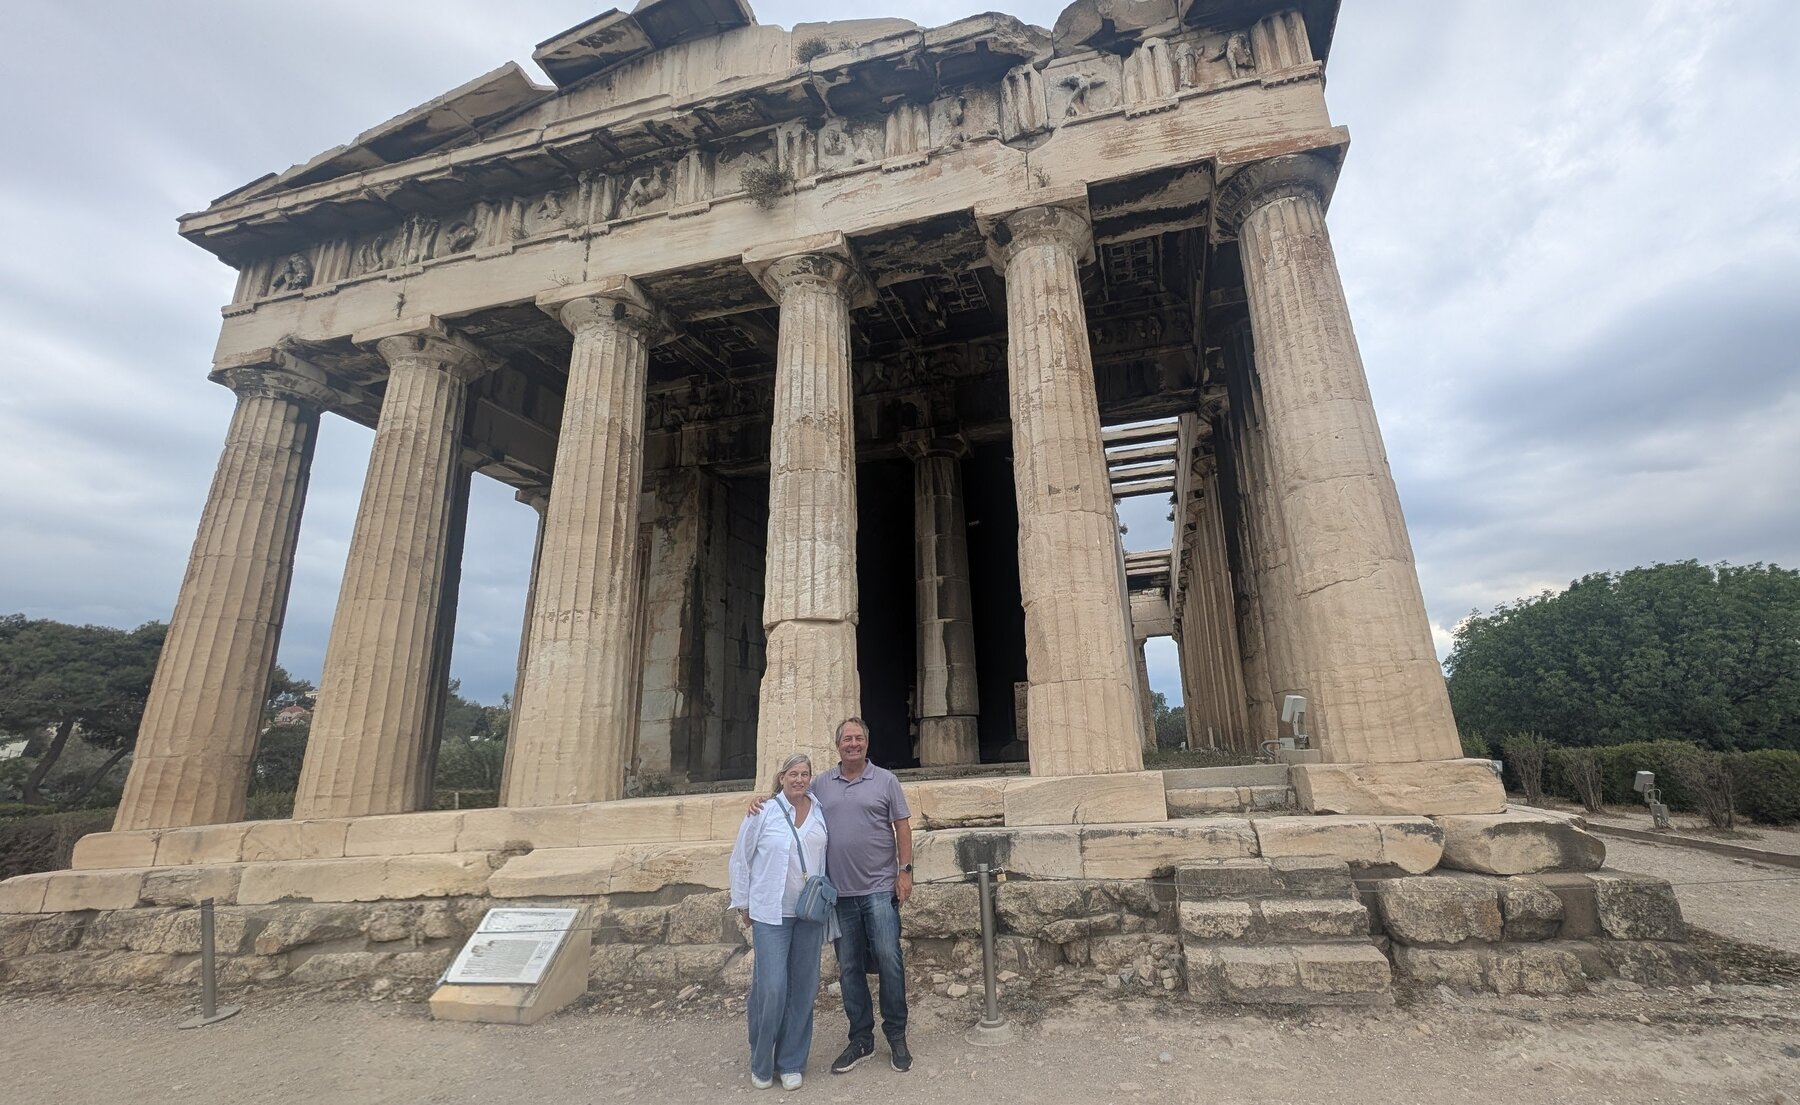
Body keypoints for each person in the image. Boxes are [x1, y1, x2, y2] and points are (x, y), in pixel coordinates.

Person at [751, 718, 915, 1075]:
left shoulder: (886, 780)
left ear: (866, 744)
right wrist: (761, 801)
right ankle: (861, 1038)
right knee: (850, 967)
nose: (853, 744)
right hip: (838, 894)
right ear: (837, 745)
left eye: (858, 739)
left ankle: (897, 1034)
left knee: (889, 958)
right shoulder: (821, 783)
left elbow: (901, 824)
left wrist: (905, 871)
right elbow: (791, 797)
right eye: (846, 740)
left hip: (879, 887)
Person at [729, 752, 831, 1091]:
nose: (799, 779)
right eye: (793, 774)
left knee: (803, 988)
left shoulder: (819, 811)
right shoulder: (763, 812)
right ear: (782, 777)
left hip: (809, 913)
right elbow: (741, 858)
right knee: (771, 988)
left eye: (805, 774)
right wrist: (742, 902)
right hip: (771, 913)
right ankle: (761, 1060)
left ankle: (791, 1061)